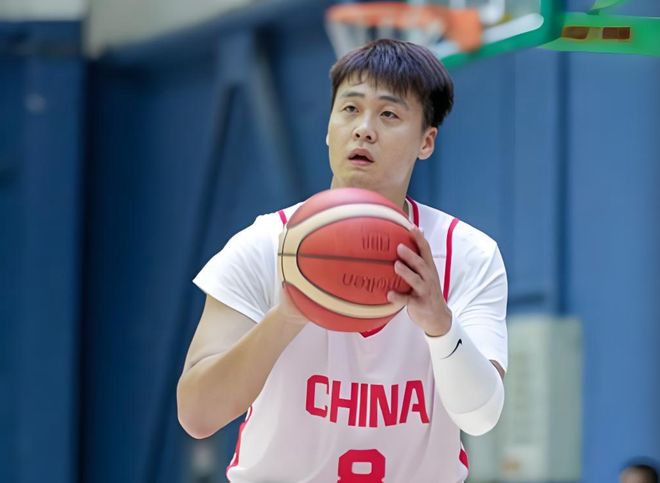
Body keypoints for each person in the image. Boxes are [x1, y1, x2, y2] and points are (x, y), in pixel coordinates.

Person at [177, 38, 508, 482]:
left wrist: (439, 323)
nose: (364, 129)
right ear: (328, 128)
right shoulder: (265, 244)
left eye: (389, 114)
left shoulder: (467, 254)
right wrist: (287, 317)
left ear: (426, 141)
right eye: (350, 109)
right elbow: (198, 414)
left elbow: (481, 417)